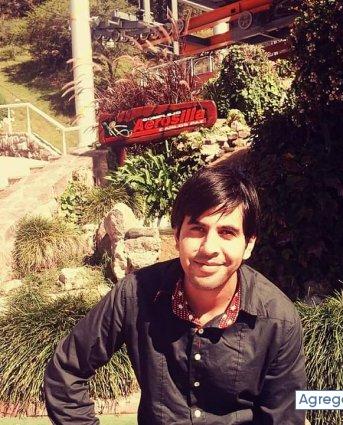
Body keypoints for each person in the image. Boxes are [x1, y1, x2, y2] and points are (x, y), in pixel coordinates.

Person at [44, 164, 307, 424]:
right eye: (198, 229)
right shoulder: (134, 294)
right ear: (177, 235)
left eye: (227, 233)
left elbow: (285, 416)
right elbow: (65, 373)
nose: (209, 248)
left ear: (248, 245)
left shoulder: (278, 321)